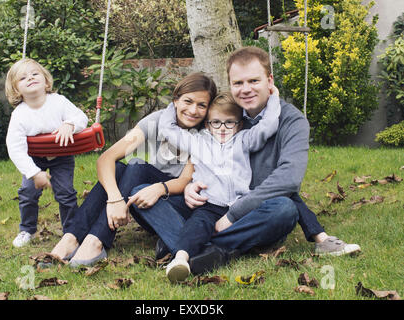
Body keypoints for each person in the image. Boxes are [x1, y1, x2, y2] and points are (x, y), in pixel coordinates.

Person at [130, 47, 360, 275]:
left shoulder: (288, 122)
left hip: (250, 208)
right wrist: (189, 185)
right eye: (238, 83)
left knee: (284, 209)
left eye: (254, 81)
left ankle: (189, 246)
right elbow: (187, 146)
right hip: (207, 203)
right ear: (230, 85)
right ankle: (214, 250)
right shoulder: (221, 112)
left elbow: (288, 180)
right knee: (143, 194)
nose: (246, 89)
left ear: (269, 81)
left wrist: (233, 215)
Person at [44, 73, 218, 267]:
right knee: (118, 168)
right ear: (176, 100)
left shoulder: (207, 132)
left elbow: (186, 180)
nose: (193, 110)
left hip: (180, 206)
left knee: (136, 166)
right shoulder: (157, 121)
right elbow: (106, 158)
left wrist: (160, 188)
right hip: (145, 200)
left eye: (202, 105)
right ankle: (71, 238)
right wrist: (115, 198)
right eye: (188, 101)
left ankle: (95, 241)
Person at [158, 91, 283, 282]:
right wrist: (173, 104)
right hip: (209, 203)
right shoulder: (198, 142)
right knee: (197, 225)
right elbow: (168, 129)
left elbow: (268, 125)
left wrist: (273, 98)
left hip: (240, 205)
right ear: (208, 124)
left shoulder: (244, 140)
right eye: (216, 122)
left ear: (239, 124)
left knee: (269, 214)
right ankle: (181, 259)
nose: (223, 128)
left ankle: (208, 247)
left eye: (229, 122)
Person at [5, 58, 88, 248]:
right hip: (35, 160)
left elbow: (81, 117)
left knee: (66, 193)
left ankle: (71, 231)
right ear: (16, 89)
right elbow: (15, 147)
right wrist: (33, 172)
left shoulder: (58, 102)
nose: (31, 78)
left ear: (46, 81)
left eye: (35, 74)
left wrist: (70, 124)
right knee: (27, 193)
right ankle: (27, 229)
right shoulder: (20, 114)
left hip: (61, 157)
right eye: (23, 77)